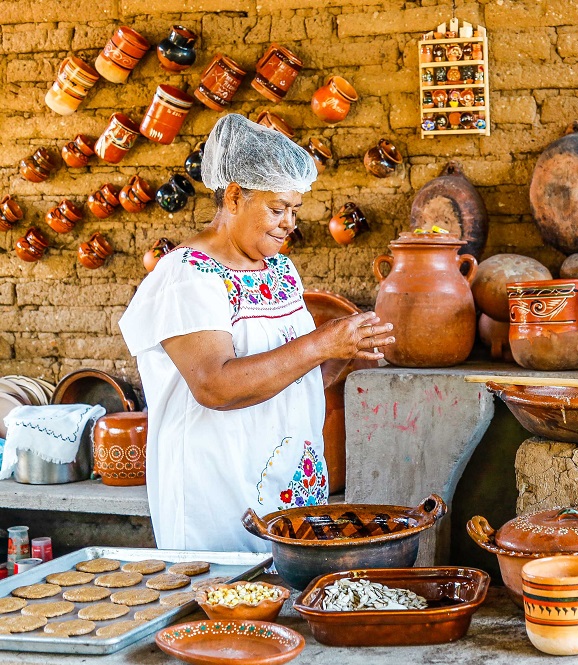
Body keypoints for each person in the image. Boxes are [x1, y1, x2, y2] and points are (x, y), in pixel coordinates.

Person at [118, 114, 394, 552]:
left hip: (286, 485)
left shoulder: (280, 270)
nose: (289, 223)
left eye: (295, 211)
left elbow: (291, 375)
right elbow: (216, 386)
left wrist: (346, 350)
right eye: (277, 208)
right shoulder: (187, 277)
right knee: (230, 608)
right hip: (218, 492)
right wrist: (321, 342)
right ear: (233, 196)